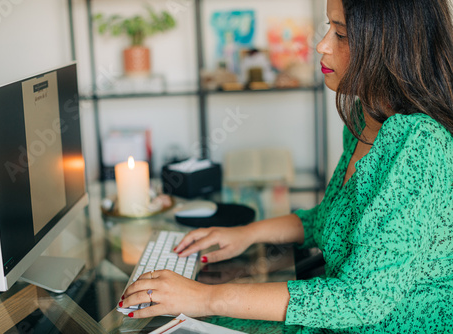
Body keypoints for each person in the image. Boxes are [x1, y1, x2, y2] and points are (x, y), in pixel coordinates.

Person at [122, 0, 453, 331]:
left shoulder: (420, 144)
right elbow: (329, 219)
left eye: (340, 33)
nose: (322, 45)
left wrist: (205, 297)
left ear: (390, 45)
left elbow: (360, 299)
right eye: (329, 28)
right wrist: (245, 234)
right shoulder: (362, 119)